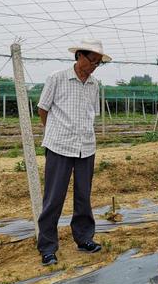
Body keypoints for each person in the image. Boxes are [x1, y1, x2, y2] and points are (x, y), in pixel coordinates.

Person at [36, 39, 111, 266]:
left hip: (86, 147)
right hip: (59, 146)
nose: (94, 66)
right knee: (53, 198)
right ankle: (48, 247)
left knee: (83, 196)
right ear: (79, 56)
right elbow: (42, 109)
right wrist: (55, 132)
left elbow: (91, 114)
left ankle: (84, 237)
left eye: (98, 63)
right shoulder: (57, 78)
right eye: (92, 60)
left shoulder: (94, 84)